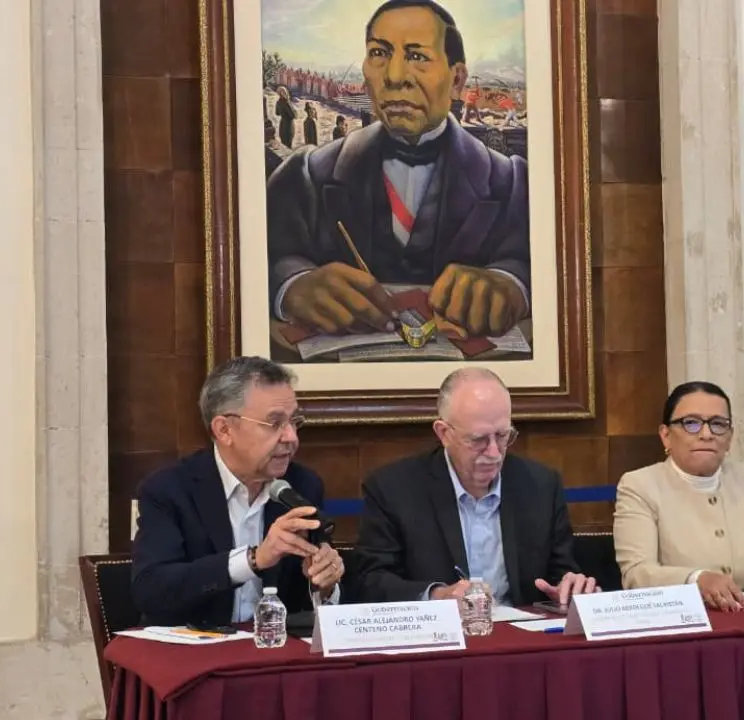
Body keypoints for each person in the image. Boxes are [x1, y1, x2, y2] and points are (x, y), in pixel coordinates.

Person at [265, 0, 530, 340]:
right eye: (379, 53)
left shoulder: (512, 184)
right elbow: (260, 257)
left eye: (417, 56)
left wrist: (512, 285)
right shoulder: (305, 176)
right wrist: (292, 286)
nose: (393, 77)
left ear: (457, 79)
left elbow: (542, 264)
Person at [349, 368, 597, 606]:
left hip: (520, 635)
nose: (494, 453)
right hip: (440, 639)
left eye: (502, 436)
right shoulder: (394, 489)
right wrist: (437, 596)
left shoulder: (541, 486)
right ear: (444, 433)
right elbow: (370, 582)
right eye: (478, 439)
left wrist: (569, 586)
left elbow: (561, 572)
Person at [131, 357, 345, 627]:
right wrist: (254, 559)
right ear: (224, 430)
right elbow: (151, 590)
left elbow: (304, 604)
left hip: (273, 652)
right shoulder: (169, 490)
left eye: (294, 422)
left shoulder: (302, 485)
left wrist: (324, 584)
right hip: (194, 654)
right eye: (274, 423)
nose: (291, 437)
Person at [614, 382, 744, 612]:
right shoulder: (640, 486)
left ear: (730, 437)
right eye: (691, 423)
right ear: (666, 436)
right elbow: (637, 573)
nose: (706, 434)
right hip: (684, 620)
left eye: (717, 424)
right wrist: (697, 579)